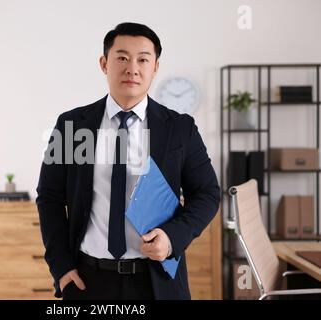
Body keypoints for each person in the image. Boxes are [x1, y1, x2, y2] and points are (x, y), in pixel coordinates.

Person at [36, 22, 220, 300]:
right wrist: (61, 267)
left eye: (143, 59)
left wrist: (172, 238)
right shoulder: (72, 126)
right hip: (88, 281)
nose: (132, 68)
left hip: (157, 281)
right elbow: (49, 197)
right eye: (121, 57)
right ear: (103, 63)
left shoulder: (179, 128)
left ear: (155, 67)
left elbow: (207, 194)